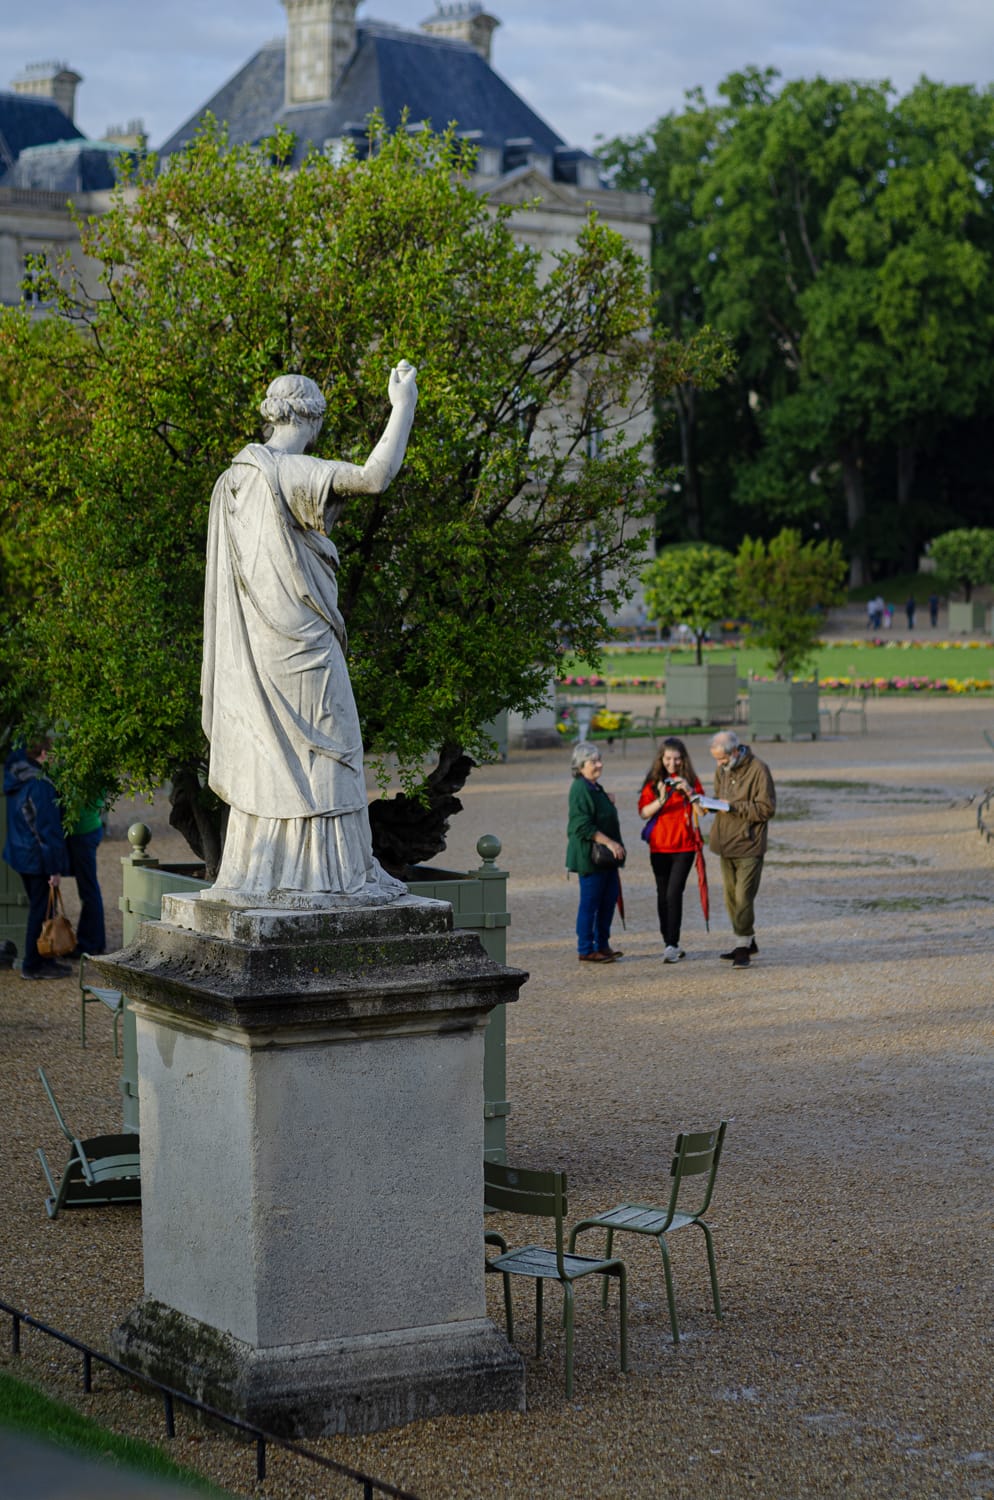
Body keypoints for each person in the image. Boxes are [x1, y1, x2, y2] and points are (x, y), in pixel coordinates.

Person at [201, 365, 418, 900]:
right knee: (333, 746)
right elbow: (374, 476)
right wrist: (404, 405)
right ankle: (338, 874)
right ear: (312, 416)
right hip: (305, 645)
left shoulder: (233, 480)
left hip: (257, 647)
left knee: (271, 752)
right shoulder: (290, 470)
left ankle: (266, 873)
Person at [2, 740, 73, 980]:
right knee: (41, 910)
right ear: (44, 754)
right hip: (36, 857)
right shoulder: (39, 785)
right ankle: (34, 965)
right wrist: (54, 869)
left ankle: (42, 960)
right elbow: (46, 829)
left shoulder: (18, 775)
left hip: (21, 853)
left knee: (41, 908)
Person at [708, 730, 776, 969]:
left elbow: (766, 809)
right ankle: (749, 940)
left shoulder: (759, 769)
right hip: (725, 842)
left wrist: (733, 807)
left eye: (722, 759)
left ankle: (741, 947)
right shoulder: (722, 770)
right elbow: (720, 799)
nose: (719, 764)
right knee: (730, 898)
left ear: (735, 752)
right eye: (716, 759)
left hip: (749, 843)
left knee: (743, 897)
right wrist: (709, 805)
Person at [638, 736, 704, 962]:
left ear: (683, 759)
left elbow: (702, 811)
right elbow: (644, 813)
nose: (672, 764)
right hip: (659, 847)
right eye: (668, 758)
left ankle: (672, 943)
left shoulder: (691, 780)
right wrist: (662, 797)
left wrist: (689, 791)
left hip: (684, 846)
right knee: (662, 895)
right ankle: (668, 941)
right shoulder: (654, 780)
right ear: (661, 758)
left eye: (677, 759)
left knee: (674, 893)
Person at [566, 740, 626, 964]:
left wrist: (606, 800)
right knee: (590, 904)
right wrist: (610, 843)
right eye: (594, 761)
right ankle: (585, 948)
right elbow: (581, 825)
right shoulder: (580, 788)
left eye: (600, 760)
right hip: (591, 858)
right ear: (580, 766)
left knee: (608, 901)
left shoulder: (594, 786)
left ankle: (602, 944)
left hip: (605, 860)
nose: (599, 764)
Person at [66, 797, 106, 956]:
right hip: (87, 827)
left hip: (82, 830)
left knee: (88, 889)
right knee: (89, 888)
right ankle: (92, 941)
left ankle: (90, 943)